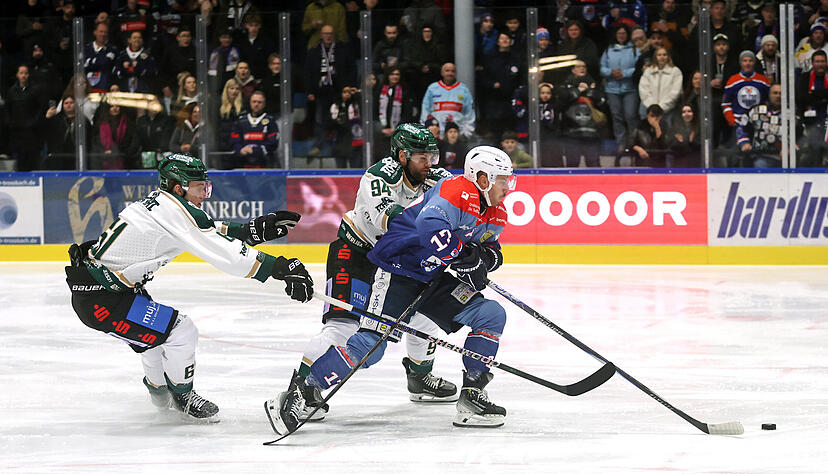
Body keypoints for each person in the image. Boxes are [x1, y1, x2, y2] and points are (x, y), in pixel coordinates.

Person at [268, 145, 516, 434]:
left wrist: (481, 259)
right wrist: (464, 256)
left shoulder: (497, 212)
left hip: (430, 277)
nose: (508, 187)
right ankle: (303, 390)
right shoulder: (456, 190)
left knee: (490, 313)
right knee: (369, 349)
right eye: (503, 180)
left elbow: (491, 250)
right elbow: (429, 226)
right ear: (483, 178)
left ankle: (473, 396)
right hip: (396, 271)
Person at [64, 154, 313, 422]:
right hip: (104, 302)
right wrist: (280, 268)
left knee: (153, 340)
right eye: (199, 187)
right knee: (181, 331)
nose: (204, 194)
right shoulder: (174, 212)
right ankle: (183, 397)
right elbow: (226, 254)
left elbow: (201, 230)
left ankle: (160, 394)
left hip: (100, 294)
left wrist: (253, 230)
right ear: (178, 187)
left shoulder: (162, 205)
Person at [305, 24, 356, 157]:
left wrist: (349, 86)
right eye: (325, 33)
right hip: (321, 92)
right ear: (321, 35)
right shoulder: (314, 51)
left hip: (339, 92)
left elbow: (351, 69)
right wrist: (310, 90)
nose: (328, 36)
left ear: (334, 35)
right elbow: (308, 73)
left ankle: (339, 147)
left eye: (331, 34)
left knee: (340, 119)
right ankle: (318, 146)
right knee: (319, 119)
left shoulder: (343, 49)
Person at [557, 60, 607, 167]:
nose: (582, 68)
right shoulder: (565, 86)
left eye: (584, 66)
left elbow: (603, 103)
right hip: (571, 133)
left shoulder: (594, 85)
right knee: (572, 165)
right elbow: (560, 104)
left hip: (592, 133)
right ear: (573, 70)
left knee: (594, 165)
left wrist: (589, 91)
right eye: (579, 66)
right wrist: (578, 91)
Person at [601, 25, 640, 154]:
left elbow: (639, 68)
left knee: (630, 116)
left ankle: (633, 142)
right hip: (612, 89)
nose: (621, 36)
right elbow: (601, 68)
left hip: (630, 88)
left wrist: (625, 73)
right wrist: (611, 72)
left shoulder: (634, 50)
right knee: (616, 116)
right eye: (619, 33)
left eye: (623, 33)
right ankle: (621, 144)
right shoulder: (608, 50)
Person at [479, 33, 522, 139]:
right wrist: (493, 84)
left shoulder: (515, 57)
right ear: (498, 42)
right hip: (494, 99)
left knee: (510, 131)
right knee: (496, 131)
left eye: (507, 38)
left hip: (510, 98)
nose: (505, 41)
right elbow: (483, 78)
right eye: (502, 39)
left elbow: (519, 77)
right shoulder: (490, 58)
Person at [420, 63, 475, 138]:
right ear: (442, 73)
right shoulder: (432, 88)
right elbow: (425, 110)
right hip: (436, 135)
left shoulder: (463, 89)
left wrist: (467, 133)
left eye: (453, 71)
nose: (450, 73)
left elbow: (469, 113)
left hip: (457, 135)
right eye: (447, 71)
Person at [737, 83, 784, 168]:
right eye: (775, 93)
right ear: (769, 94)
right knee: (760, 165)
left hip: (786, 158)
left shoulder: (792, 113)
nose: (778, 96)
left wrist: (791, 149)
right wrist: (744, 143)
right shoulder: (756, 111)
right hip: (761, 155)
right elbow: (742, 128)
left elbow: (801, 135)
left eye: (781, 93)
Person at [722, 50, 771, 132]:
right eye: (745, 61)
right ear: (741, 63)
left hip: (758, 122)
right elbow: (726, 103)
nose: (747, 63)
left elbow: (768, 101)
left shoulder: (763, 80)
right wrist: (732, 120)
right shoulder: (733, 80)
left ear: (754, 63)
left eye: (750, 61)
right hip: (738, 122)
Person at [5, 65, 42, 171]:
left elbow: (39, 109)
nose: (23, 75)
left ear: (28, 75)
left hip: (31, 132)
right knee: (20, 160)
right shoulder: (11, 92)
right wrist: (11, 123)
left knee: (31, 159)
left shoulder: (35, 90)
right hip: (17, 132)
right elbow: (8, 109)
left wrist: (33, 123)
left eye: (25, 73)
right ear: (17, 75)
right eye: (21, 73)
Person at [375, 67, 416, 161]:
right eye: (392, 74)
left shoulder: (405, 90)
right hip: (381, 132)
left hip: (398, 132)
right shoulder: (380, 89)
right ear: (388, 76)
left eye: (397, 74)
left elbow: (407, 113)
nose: (395, 77)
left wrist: (396, 128)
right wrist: (381, 129)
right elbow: (374, 111)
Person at [230, 91, 278, 168]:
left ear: (264, 104)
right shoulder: (241, 120)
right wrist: (240, 150)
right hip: (243, 164)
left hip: (264, 165)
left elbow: (273, 143)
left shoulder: (270, 121)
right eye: (254, 102)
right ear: (250, 103)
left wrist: (255, 151)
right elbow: (234, 139)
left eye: (259, 102)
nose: (256, 104)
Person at [638, 47, 682, 123]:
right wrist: (653, 107)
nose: (662, 57)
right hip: (649, 109)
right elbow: (643, 90)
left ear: (668, 57)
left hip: (668, 110)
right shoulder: (648, 71)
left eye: (664, 55)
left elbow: (675, 92)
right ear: (655, 57)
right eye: (659, 55)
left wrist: (661, 107)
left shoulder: (675, 71)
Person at [91, 102, 140, 169]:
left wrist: (117, 152)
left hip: (126, 163)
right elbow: (95, 143)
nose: (115, 108)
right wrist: (104, 152)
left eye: (117, 106)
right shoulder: (100, 124)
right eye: (112, 106)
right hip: (102, 163)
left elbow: (133, 144)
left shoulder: (128, 124)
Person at [327, 86, 363, 169]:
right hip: (339, 142)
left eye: (349, 92)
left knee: (356, 169)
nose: (347, 94)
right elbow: (328, 125)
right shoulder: (335, 106)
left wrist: (357, 94)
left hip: (355, 141)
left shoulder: (357, 105)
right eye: (345, 92)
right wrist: (336, 121)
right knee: (340, 169)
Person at [408, 25, 446, 101]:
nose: (427, 34)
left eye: (429, 31)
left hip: (434, 74)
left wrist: (429, 66)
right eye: (425, 31)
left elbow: (442, 62)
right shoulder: (416, 45)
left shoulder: (438, 45)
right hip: (418, 74)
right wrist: (421, 66)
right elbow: (412, 60)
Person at [159, 27, 196, 100]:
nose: (186, 39)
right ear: (178, 38)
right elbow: (163, 70)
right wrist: (165, 86)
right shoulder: (170, 51)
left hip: (190, 86)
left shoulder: (194, 51)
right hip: (173, 84)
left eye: (188, 36)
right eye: (183, 36)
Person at [237, 13, 275, 80]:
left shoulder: (266, 41)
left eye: (256, 25)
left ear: (259, 26)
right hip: (245, 76)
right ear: (246, 26)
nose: (253, 28)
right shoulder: (241, 42)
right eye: (251, 25)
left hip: (262, 76)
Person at [83, 22, 119, 92]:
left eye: (105, 32)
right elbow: (82, 67)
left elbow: (106, 65)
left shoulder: (112, 49)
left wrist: (90, 62)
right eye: (101, 31)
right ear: (95, 32)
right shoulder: (86, 48)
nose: (103, 34)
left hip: (105, 88)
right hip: (86, 88)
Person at [668, 102, 701, 167]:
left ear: (694, 113)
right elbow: (672, 146)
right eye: (684, 112)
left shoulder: (699, 128)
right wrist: (688, 143)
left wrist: (684, 142)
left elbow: (701, 146)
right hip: (679, 162)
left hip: (696, 163)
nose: (686, 114)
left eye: (689, 111)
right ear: (681, 114)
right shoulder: (674, 129)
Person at [218, 78, 246, 152]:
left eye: (237, 89)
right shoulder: (219, 105)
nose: (234, 91)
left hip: (239, 142)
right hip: (223, 141)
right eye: (232, 88)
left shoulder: (244, 105)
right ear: (227, 90)